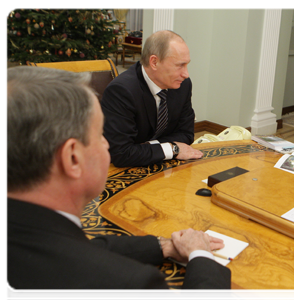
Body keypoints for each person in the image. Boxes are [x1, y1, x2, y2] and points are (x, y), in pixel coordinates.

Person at [5, 66, 231, 299]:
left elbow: (67, 246)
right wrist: (201, 255)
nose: (107, 144)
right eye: (100, 134)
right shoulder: (127, 285)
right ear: (72, 158)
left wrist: (162, 246)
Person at [101, 30, 203, 167]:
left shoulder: (182, 85)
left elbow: (186, 133)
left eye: (187, 64)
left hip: (162, 166)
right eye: (180, 65)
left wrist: (147, 148)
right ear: (154, 62)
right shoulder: (122, 91)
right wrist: (173, 149)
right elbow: (122, 154)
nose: (186, 74)